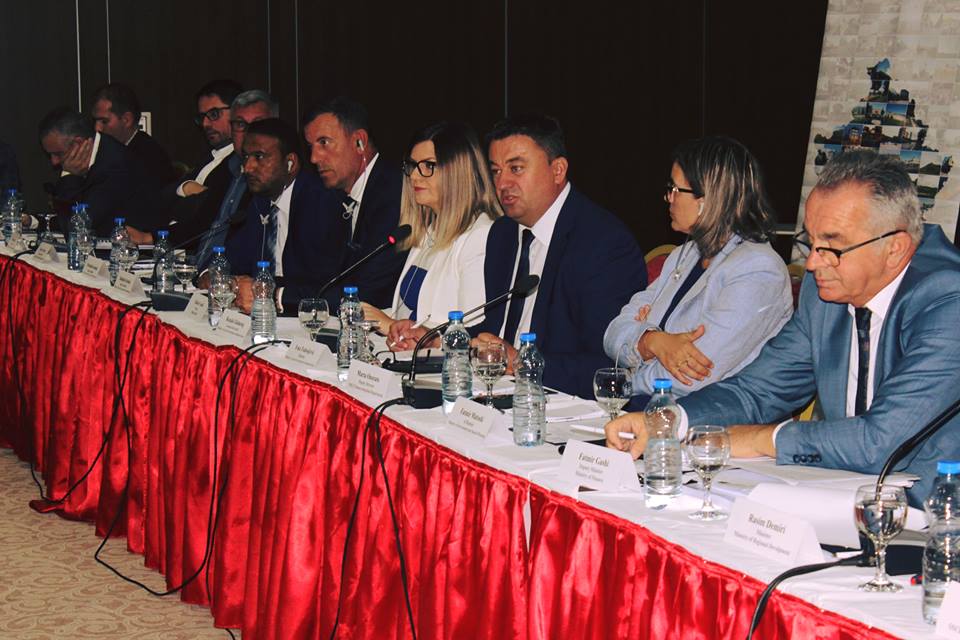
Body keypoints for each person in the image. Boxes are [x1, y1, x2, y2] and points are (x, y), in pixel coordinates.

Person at [606, 150, 960, 506]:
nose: (813, 263)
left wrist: (761, 440)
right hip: (843, 496)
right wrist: (669, 421)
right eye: (810, 242)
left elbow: (878, 443)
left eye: (832, 247)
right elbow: (758, 390)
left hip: (935, 512)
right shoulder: (823, 293)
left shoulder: (948, 301)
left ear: (895, 249)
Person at [603, 136, 793, 404]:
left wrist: (625, 383)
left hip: (711, 418)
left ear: (708, 199)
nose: (668, 198)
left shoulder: (758, 269)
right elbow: (613, 333)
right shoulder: (684, 255)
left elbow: (693, 376)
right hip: (652, 407)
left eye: (675, 189)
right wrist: (652, 341)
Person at [471, 114, 647, 398]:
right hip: (498, 392)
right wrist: (442, 340)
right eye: (496, 171)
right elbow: (497, 329)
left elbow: (609, 363)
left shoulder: (603, 243)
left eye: (516, 168)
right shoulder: (502, 233)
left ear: (558, 170)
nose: (502, 183)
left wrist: (522, 364)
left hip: (561, 400)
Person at [358, 122, 501, 349]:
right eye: (413, 166)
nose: (414, 176)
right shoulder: (430, 229)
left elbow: (474, 332)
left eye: (428, 165)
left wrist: (390, 324)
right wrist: (371, 317)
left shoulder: (482, 235)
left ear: (457, 171)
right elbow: (408, 313)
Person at [223, 118, 347, 314]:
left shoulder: (321, 203)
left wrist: (269, 295)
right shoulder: (259, 201)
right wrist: (219, 277)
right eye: (246, 157)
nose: (248, 167)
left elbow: (326, 288)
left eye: (259, 157)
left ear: (290, 163)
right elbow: (234, 258)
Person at [302, 97, 406, 311]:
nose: (313, 158)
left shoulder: (393, 194)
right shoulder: (332, 197)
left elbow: (367, 291)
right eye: (311, 146)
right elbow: (321, 275)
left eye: (324, 143)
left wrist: (280, 296)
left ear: (359, 142)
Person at [128, 79, 244, 245]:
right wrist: (186, 186)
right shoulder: (208, 156)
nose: (205, 124)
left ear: (237, 113)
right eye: (202, 117)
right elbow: (164, 197)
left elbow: (205, 218)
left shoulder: (239, 163)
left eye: (214, 114)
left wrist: (150, 238)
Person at [38, 106, 160, 235]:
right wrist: (34, 221)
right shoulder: (101, 151)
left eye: (58, 154)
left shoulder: (116, 165)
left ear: (78, 143)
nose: (54, 161)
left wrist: (69, 176)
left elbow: (77, 229)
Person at [90, 82, 175, 186]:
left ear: (127, 120)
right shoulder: (110, 152)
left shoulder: (149, 158)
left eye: (104, 121)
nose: (97, 128)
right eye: (95, 121)